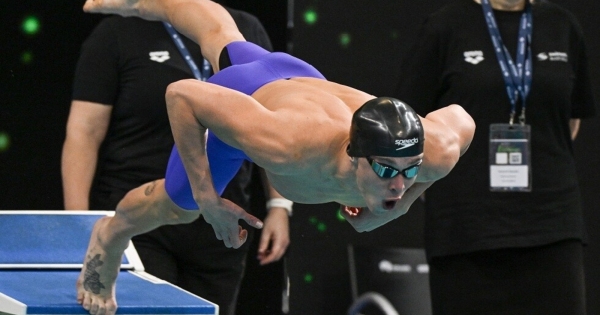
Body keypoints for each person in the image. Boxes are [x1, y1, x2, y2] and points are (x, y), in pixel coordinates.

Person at [76, 0, 475, 314]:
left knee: (222, 35)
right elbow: (182, 95)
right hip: (252, 92)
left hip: (303, 81)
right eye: (387, 171)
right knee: (180, 206)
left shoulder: (434, 151)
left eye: (410, 171)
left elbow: (463, 120)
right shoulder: (286, 145)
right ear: (355, 156)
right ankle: (109, 237)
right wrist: (207, 199)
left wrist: (402, 205)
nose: (399, 183)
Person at [61, 9, 290, 315]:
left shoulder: (244, 28)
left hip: (223, 221)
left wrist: (279, 205)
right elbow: (84, 133)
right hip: (145, 218)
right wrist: (77, 222)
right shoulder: (116, 34)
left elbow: (273, 124)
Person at [394, 0, 597, 314]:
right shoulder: (444, 26)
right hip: (466, 229)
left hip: (552, 225)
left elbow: (570, 121)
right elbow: (409, 121)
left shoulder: (562, 25)